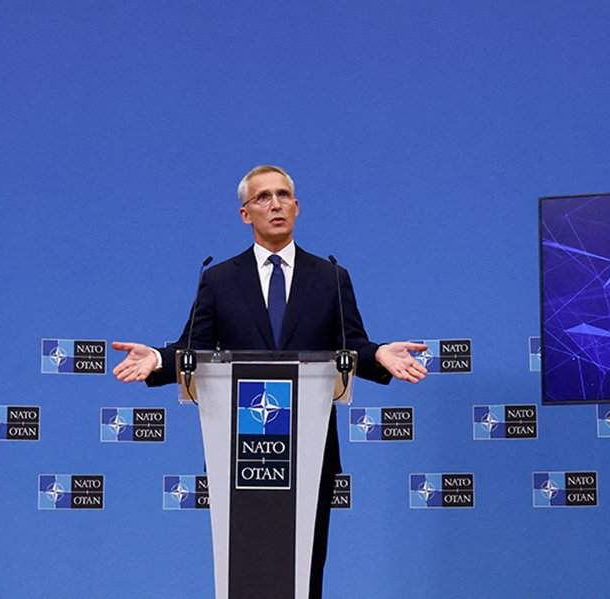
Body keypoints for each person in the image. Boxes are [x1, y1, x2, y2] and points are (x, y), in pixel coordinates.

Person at [112, 164, 427, 599]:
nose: (275, 204)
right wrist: (158, 360)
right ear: (246, 214)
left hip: (310, 449)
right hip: (240, 453)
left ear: (297, 207)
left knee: (304, 572)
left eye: (283, 195)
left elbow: (351, 344)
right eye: (263, 197)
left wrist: (377, 354)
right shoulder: (219, 279)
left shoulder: (330, 276)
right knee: (245, 569)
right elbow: (192, 348)